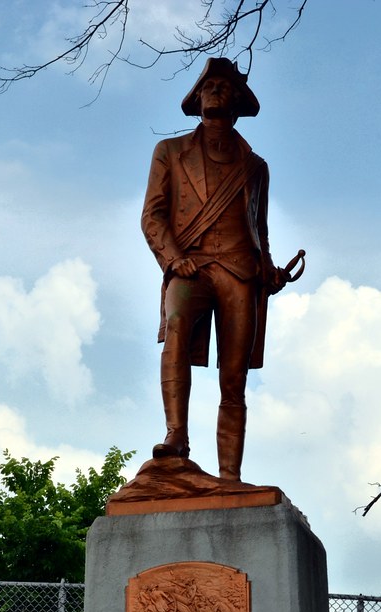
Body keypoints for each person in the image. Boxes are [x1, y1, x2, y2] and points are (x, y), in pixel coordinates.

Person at [141, 58, 286, 482]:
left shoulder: (255, 166)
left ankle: (229, 477)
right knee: (177, 325)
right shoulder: (169, 152)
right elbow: (152, 216)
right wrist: (172, 258)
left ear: (238, 101)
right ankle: (176, 437)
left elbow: (259, 227)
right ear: (198, 98)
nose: (216, 91)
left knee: (234, 376)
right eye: (209, 86)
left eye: (224, 86)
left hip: (240, 270)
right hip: (190, 265)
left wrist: (270, 270)